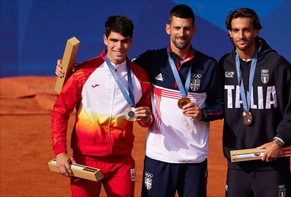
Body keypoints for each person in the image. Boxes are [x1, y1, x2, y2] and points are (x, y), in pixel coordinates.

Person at [56, 5, 224, 197]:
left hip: (188, 159)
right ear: (168, 28)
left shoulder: (205, 66)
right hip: (151, 157)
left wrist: (202, 114)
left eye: (186, 28)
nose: (181, 33)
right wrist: (72, 69)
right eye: (177, 27)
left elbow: (220, 107)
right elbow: (114, 65)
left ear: (194, 30)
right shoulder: (150, 61)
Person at [51, 15, 153, 197]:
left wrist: (147, 118)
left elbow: (146, 120)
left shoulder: (141, 78)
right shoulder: (83, 73)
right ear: (105, 39)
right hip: (85, 161)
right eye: (114, 40)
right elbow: (60, 111)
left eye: (124, 41)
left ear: (131, 41)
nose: (119, 47)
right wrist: (60, 152)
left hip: (121, 163)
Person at [219, 8, 291, 197]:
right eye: (236, 30)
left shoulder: (277, 64)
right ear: (230, 32)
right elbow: (213, 104)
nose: (241, 35)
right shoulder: (225, 65)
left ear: (256, 31)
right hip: (238, 165)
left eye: (246, 30)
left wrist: (278, 141)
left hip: (272, 165)